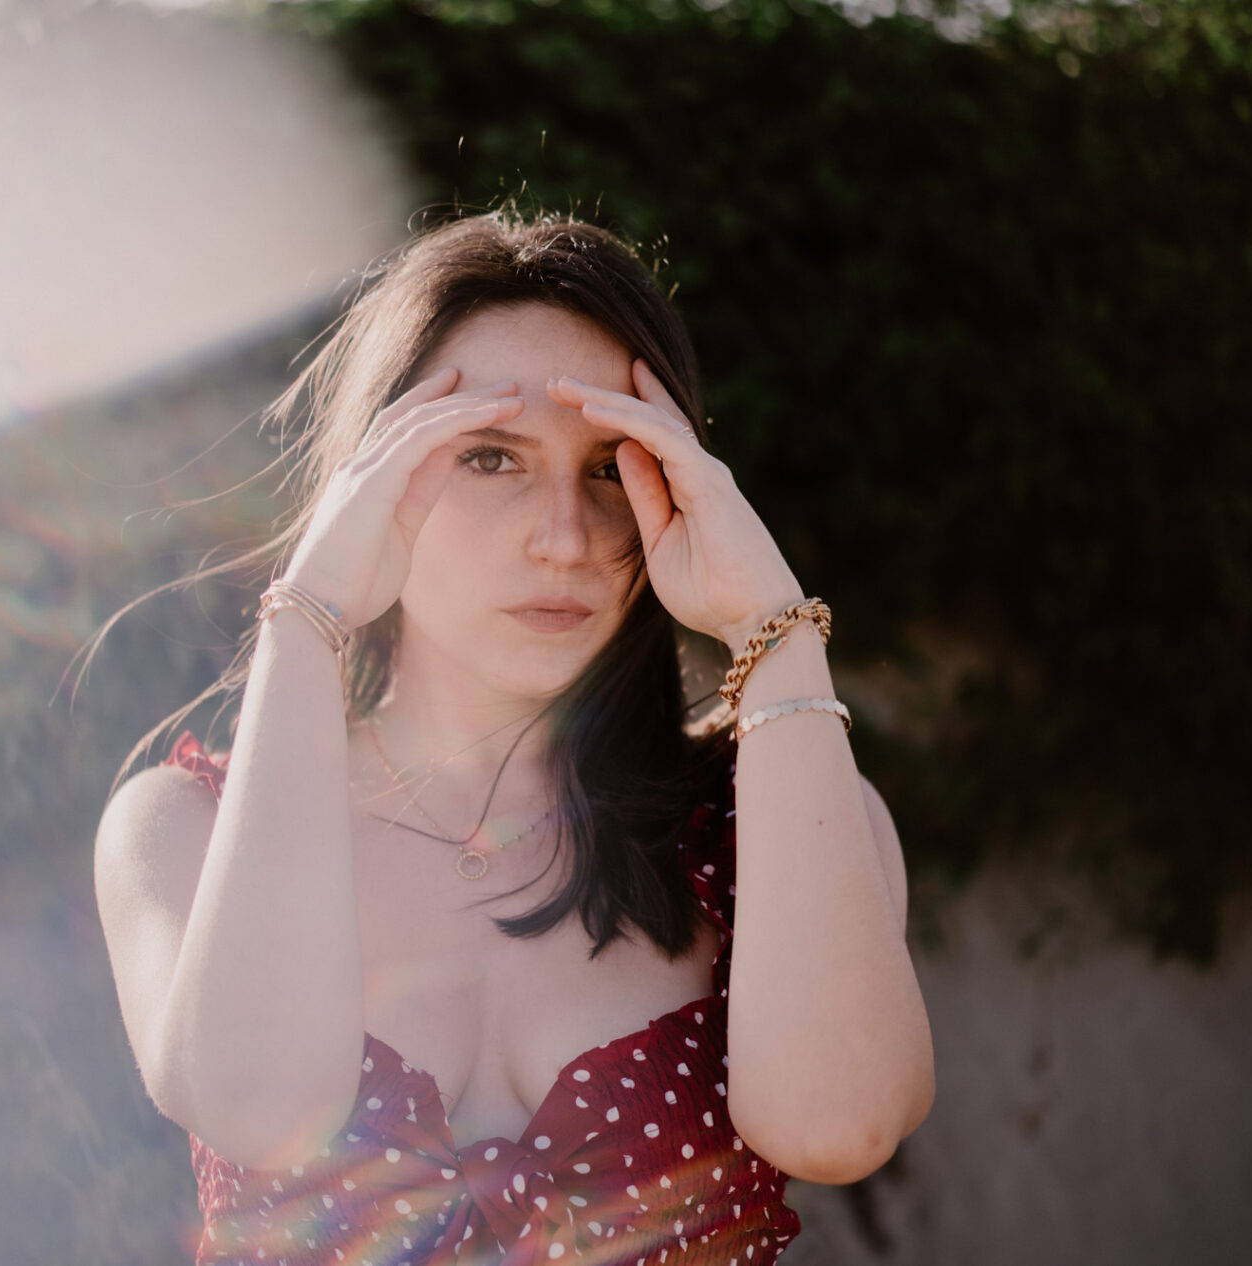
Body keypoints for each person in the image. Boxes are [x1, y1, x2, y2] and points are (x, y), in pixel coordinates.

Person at [91, 211, 934, 1265]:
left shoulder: (783, 822)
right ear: (370, 475)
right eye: (490, 456)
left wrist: (775, 630)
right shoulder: (182, 829)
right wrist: (309, 616)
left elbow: (839, 1124)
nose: (565, 539)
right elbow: (260, 1105)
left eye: (608, 467)